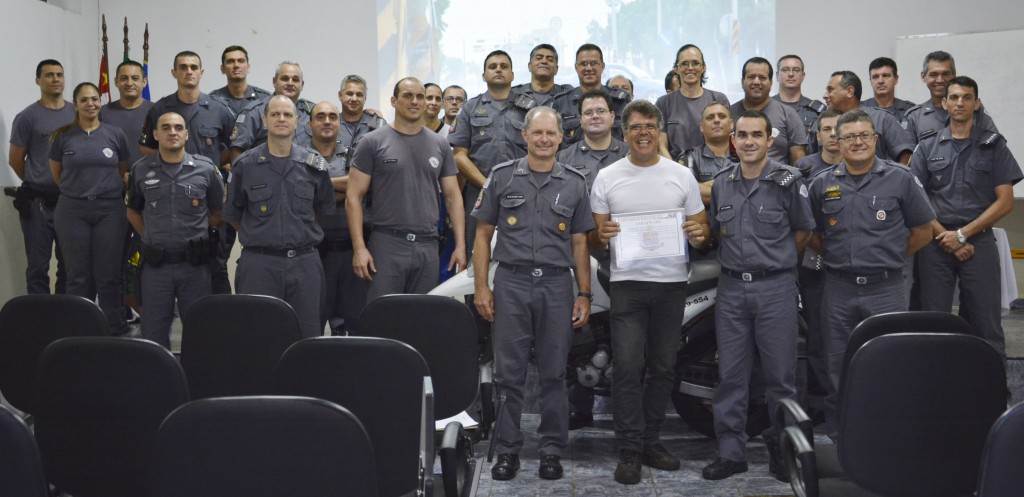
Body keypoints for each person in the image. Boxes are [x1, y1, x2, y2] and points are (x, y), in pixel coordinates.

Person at [590, 100, 709, 485]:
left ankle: (650, 441)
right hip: (626, 286)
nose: (642, 133)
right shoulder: (607, 177)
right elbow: (594, 238)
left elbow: (702, 229)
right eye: (635, 127)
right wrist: (601, 235)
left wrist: (698, 233)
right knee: (626, 368)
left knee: (662, 368)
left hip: (672, 285)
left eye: (649, 127)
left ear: (659, 132)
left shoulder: (681, 176)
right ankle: (628, 447)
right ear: (624, 133)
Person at [472, 106, 594, 482]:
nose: (544, 140)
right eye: (536, 133)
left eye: (551, 134)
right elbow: (482, 236)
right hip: (511, 283)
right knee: (510, 374)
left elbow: (579, 242)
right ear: (524, 136)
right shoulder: (502, 177)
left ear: (561, 138)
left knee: (554, 374)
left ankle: (551, 451)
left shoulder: (575, 183)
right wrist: (481, 287)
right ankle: (508, 451)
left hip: (556, 286)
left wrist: (584, 292)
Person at [808, 109, 935, 438]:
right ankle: (841, 438)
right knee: (836, 365)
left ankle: (886, 438)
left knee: (889, 363)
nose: (858, 142)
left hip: (887, 288)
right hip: (838, 288)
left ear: (875, 139)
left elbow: (923, 231)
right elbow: (814, 235)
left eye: (864, 135)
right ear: (837, 141)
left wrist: (887, 255)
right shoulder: (822, 183)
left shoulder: (901, 178)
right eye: (849, 136)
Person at [703, 110, 814, 482]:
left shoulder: (789, 181)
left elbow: (803, 233)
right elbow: (718, 231)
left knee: (780, 378)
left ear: (770, 141)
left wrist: (775, 263)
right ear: (732, 141)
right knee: (731, 375)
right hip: (732, 289)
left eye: (756, 135)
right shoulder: (722, 183)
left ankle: (784, 451)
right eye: (742, 135)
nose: (748, 141)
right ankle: (731, 453)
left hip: (776, 288)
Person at [911, 76, 1022, 357]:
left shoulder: (993, 145)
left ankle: (995, 397)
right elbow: (915, 201)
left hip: (979, 243)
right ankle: (933, 394)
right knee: (933, 324)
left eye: (967, 97)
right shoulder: (926, 147)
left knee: (987, 325)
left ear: (977, 103)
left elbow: (1005, 201)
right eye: (955, 97)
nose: (960, 102)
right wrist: (946, 236)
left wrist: (962, 235)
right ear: (945, 103)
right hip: (936, 243)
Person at [222, 95, 335, 338]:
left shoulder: (314, 165)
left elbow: (322, 211)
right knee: (258, 338)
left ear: (297, 121)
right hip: (259, 266)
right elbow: (233, 214)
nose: (281, 119)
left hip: (305, 265)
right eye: (275, 114)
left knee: (308, 337)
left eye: (287, 115)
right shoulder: (245, 165)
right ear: (265, 120)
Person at [347, 77, 466, 303]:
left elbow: (452, 197)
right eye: (407, 96)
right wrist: (359, 248)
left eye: (420, 96)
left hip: (428, 246)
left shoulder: (440, 144)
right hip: (387, 244)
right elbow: (354, 196)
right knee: (383, 318)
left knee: (420, 320)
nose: (415, 101)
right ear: (393, 101)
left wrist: (460, 245)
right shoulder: (372, 142)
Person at [556, 90, 627, 430]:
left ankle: (624, 411)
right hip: (581, 253)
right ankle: (578, 407)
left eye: (602, 111)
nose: (595, 116)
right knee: (579, 332)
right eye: (589, 112)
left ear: (613, 117)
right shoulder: (565, 158)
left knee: (623, 332)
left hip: (629, 256)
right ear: (580, 119)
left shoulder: (632, 155)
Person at [126, 112, 224, 348]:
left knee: (200, 334)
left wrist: (197, 235)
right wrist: (152, 236)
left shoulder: (205, 169)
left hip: (195, 267)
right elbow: (132, 211)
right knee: (153, 336)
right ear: (156, 134)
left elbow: (218, 212)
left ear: (186, 134)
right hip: (155, 267)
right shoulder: (140, 170)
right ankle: (159, 384)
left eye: (179, 127)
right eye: (166, 127)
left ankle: (196, 384)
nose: (173, 132)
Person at [48, 82, 131, 335]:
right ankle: (78, 329)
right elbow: (57, 175)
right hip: (72, 211)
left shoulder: (114, 134)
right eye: (84, 100)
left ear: (100, 102)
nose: (91, 104)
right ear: (76, 104)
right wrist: (80, 192)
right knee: (78, 276)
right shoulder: (62, 136)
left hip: (110, 211)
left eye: (95, 99)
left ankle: (113, 328)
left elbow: (123, 171)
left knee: (108, 274)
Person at [450, 50, 529, 258]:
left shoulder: (529, 109)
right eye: (493, 67)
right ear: (484, 76)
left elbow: (540, 149)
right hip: (480, 193)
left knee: (520, 252)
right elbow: (459, 156)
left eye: (504, 66)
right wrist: (487, 184)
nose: (498, 70)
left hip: (524, 192)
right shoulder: (469, 108)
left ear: (512, 75)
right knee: (477, 256)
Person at [305, 101, 370, 336]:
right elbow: (304, 193)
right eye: (320, 117)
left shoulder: (356, 153)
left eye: (332, 116)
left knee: (356, 323)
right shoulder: (299, 156)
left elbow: (362, 185)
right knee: (312, 322)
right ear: (309, 124)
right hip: (313, 253)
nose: (327, 121)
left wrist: (321, 186)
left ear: (340, 124)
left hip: (350, 251)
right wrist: (346, 188)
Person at [8, 59, 72, 294]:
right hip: (38, 204)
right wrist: (40, 180)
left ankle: (65, 319)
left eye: (59, 74)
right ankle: (40, 323)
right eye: (49, 75)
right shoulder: (27, 117)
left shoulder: (76, 113)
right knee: (37, 267)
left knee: (69, 267)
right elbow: (15, 160)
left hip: (68, 202)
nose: (55, 79)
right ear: (38, 81)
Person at [794, 108, 844, 399]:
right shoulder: (803, 167)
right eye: (827, 129)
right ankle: (819, 398)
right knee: (817, 334)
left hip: (849, 265)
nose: (833, 135)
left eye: (838, 129)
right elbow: (801, 220)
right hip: (813, 262)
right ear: (817, 135)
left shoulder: (857, 165)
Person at [140, 51, 234, 166]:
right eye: (183, 67)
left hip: (207, 180)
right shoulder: (159, 109)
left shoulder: (219, 109)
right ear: (174, 73)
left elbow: (234, 148)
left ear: (201, 72)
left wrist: (211, 165)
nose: (189, 72)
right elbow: (146, 148)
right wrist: (169, 163)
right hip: (170, 179)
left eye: (194, 67)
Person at [817, 70, 914, 164]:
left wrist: (896, 179)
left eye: (830, 90)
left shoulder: (882, 119)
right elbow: (815, 157)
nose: (825, 95)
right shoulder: (822, 122)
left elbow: (905, 155)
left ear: (850, 91)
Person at [905, 51, 999, 143]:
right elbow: (910, 157)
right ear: (923, 77)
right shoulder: (914, 117)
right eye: (934, 75)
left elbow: (995, 142)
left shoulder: (972, 108)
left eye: (945, 74)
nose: (940, 80)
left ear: (954, 75)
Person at [657, 44, 730, 161]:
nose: (690, 68)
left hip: (713, 171)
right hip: (675, 171)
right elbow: (660, 145)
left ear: (703, 67)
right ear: (676, 69)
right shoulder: (664, 103)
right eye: (685, 64)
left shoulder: (718, 99)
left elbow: (725, 142)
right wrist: (677, 172)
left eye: (695, 63)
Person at [729, 57, 807, 165]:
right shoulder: (728, 114)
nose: (756, 82)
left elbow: (799, 160)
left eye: (762, 77)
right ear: (742, 81)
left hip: (777, 180)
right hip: (735, 179)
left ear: (770, 82)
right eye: (751, 77)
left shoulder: (788, 114)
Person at [551, 44, 631, 145]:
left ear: (602, 66)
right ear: (576, 67)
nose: (589, 68)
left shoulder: (621, 100)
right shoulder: (562, 102)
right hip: (571, 159)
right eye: (583, 64)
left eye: (593, 63)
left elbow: (630, 135)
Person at [230, 60, 316, 153]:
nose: (290, 83)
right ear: (274, 81)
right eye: (285, 78)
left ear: (302, 85)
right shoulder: (255, 112)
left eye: (295, 80)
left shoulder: (311, 113)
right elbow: (237, 151)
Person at [683, 102, 737, 207]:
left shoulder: (746, 154)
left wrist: (706, 186)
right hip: (704, 222)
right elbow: (687, 192)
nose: (716, 120)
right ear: (702, 127)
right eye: (710, 117)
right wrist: (736, 188)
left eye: (722, 116)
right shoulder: (690, 157)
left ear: (731, 124)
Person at [102, 60, 154, 166]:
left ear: (144, 82)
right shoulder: (102, 113)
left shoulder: (157, 111)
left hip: (149, 177)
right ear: (116, 82)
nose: (129, 83)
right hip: (111, 177)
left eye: (135, 78)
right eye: (124, 78)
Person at [209, 45, 272, 117]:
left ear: (248, 67)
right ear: (222, 69)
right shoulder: (213, 99)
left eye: (241, 61)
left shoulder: (264, 98)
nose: (236, 65)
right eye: (230, 62)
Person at [772, 54, 826, 136]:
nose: (790, 74)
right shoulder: (766, 107)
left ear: (803, 76)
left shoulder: (816, 110)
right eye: (785, 70)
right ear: (777, 75)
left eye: (796, 70)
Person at [511, 44, 571, 108]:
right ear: (529, 66)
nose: (544, 61)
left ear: (556, 69)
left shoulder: (567, 95)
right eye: (539, 58)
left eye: (550, 59)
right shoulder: (514, 94)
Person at [861, 57, 914, 125]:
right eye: (875, 77)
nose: (880, 81)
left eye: (885, 76)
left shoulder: (909, 110)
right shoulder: (860, 110)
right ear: (870, 81)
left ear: (896, 79)